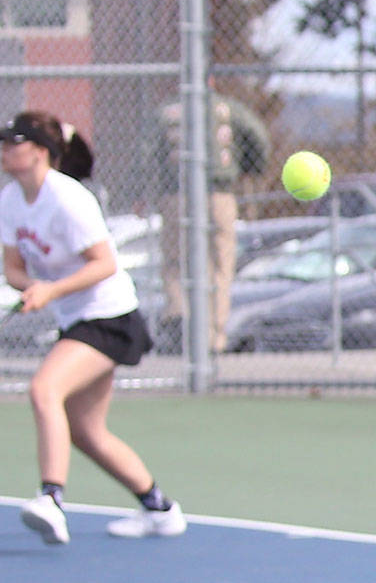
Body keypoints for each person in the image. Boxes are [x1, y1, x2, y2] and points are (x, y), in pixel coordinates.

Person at [4, 111, 186, 544]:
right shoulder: (10, 200)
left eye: (16, 142)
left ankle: (51, 498)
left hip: (110, 316)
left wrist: (52, 290)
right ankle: (160, 509)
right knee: (86, 432)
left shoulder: (68, 198)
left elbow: (105, 264)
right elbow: (12, 267)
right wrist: (32, 288)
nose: (6, 150)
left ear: (42, 153)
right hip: (77, 318)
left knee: (44, 389)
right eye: (4, 142)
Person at [156, 80, 270, 353]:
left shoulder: (169, 110)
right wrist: (250, 168)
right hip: (217, 193)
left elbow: (146, 148)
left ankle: (179, 317)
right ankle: (212, 336)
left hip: (178, 193)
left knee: (176, 262)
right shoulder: (228, 109)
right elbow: (258, 138)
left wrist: (145, 183)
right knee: (219, 265)